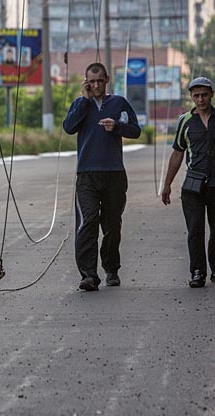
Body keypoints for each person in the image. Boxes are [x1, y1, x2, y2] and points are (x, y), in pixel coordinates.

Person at [63, 62, 141, 291]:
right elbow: (69, 127)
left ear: (107, 79)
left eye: (99, 81)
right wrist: (84, 100)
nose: (96, 85)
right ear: (86, 82)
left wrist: (116, 126)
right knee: (88, 221)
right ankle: (88, 274)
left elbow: (135, 130)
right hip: (87, 173)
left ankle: (111, 268)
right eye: (91, 81)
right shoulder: (80, 104)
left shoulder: (119, 103)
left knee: (112, 224)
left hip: (114, 173)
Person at [161, 76, 215, 288]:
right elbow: (177, 153)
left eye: (204, 95)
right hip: (193, 185)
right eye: (196, 96)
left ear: (212, 95)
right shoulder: (185, 122)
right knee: (195, 229)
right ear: (191, 97)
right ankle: (198, 271)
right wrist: (167, 184)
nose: (200, 99)